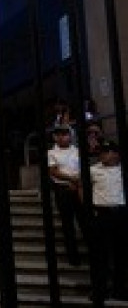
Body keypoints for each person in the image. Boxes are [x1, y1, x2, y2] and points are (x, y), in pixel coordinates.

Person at [86, 139, 127, 301]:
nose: (103, 154)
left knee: (122, 254)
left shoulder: (123, 170)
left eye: (107, 151)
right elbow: (82, 187)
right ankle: (99, 290)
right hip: (102, 213)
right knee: (99, 255)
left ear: (116, 154)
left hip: (121, 213)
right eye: (101, 151)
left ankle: (120, 289)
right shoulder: (93, 170)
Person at [47, 124, 85, 266]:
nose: (62, 137)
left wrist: (78, 181)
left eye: (64, 134)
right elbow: (53, 171)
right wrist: (71, 179)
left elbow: (83, 168)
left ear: (70, 135)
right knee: (67, 225)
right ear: (55, 137)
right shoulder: (51, 153)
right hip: (63, 189)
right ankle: (73, 258)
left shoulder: (77, 150)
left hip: (79, 188)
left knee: (84, 221)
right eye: (58, 134)